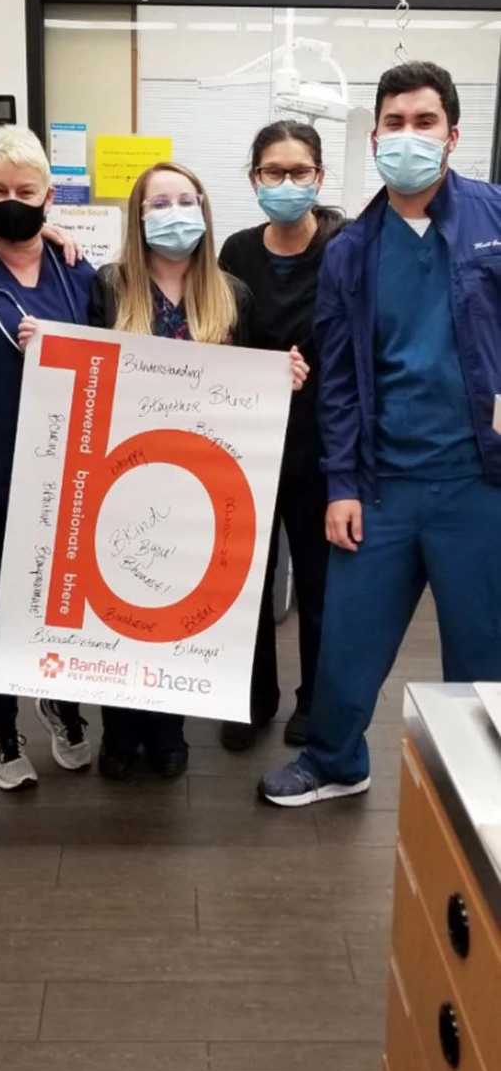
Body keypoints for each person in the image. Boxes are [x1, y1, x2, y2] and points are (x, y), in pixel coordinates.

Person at [259, 60, 501, 808]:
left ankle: (474, 779)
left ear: (453, 134)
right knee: (348, 643)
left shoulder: (494, 219)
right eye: (394, 123)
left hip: (478, 482)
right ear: (373, 137)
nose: (408, 136)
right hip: (382, 483)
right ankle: (336, 759)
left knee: (481, 648)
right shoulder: (352, 251)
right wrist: (341, 484)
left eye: (424, 122)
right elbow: (335, 379)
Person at [88, 160, 308, 781]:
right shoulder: (108, 286)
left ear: (206, 211)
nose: (175, 212)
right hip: (127, 478)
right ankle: (119, 729)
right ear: (138, 217)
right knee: (123, 600)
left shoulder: (230, 293)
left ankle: (169, 731)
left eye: (187, 199)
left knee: (176, 605)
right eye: (159, 203)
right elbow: (88, 373)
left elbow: (256, 379)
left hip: (202, 482)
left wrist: (282, 376)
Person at [0, 129, 95, 789]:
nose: (12, 201)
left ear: (49, 197)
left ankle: (62, 705)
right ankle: (1, 732)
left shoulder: (78, 272)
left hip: (65, 474)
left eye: (26, 192)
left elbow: (112, 356)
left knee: (60, 605)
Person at [218, 121, 343, 751]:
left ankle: (314, 703)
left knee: (321, 585)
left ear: (319, 178)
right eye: (274, 172)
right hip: (250, 443)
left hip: (324, 445)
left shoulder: (345, 245)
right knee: (245, 580)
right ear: (254, 179)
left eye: (300, 172)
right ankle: (250, 698)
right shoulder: (236, 251)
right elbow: (218, 334)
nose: (287, 184)